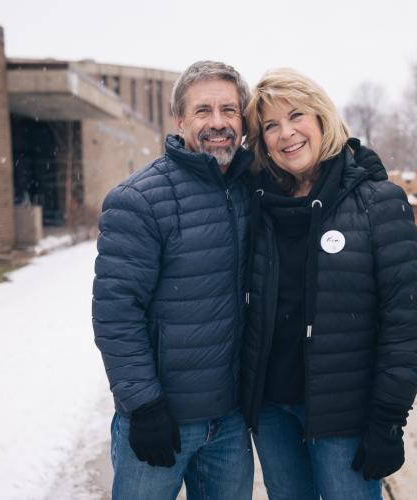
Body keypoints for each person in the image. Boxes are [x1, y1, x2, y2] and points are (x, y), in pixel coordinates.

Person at [241, 68, 417, 500]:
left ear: (322, 117)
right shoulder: (258, 204)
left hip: (345, 415)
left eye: (296, 116)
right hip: (272, 410)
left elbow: (407, 321)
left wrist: (388, 418)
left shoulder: (377, 202)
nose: (286, 133)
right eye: (270, 125)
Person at [92, 61, 254, 500]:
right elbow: (115, 312)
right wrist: (143, 404)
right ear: (180, 120)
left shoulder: (251, 189)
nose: (217, 123)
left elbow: (311, 175)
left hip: (231, 423)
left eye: (229, 110)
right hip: (159, 419)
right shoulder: (138, 200)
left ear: (243, 120)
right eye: (203, 111)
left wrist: (356, 164)